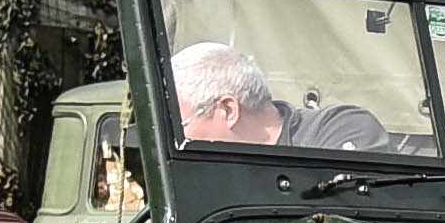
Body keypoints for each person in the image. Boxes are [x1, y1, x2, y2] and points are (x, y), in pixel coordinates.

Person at [168, 41, 395, 152]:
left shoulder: (341, 130)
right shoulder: (205, 176)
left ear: (228, 110)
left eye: (180, 125)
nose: (173, 138)